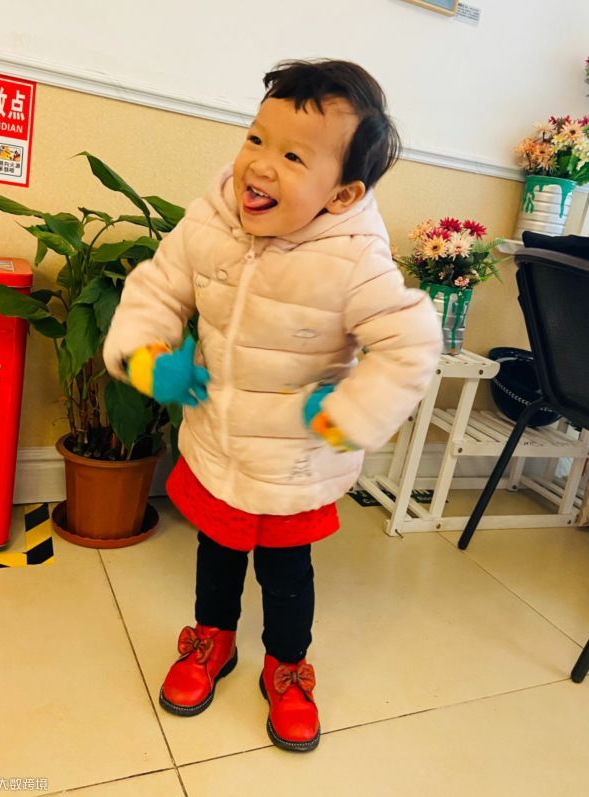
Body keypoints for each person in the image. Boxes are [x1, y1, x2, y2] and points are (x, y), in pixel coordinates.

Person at [103, 59, 442, 753]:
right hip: (218, 442)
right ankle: (213, 639)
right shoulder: (211, 219)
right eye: (256, 138)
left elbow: (410, 343)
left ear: (342, 195)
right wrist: (146, 353)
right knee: (216, 555)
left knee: (287, 577)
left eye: (292, 156)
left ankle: (287, 667)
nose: (259, 165)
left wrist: (352, 413)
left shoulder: (354, 260)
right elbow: (159, 287)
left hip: (295, 463)